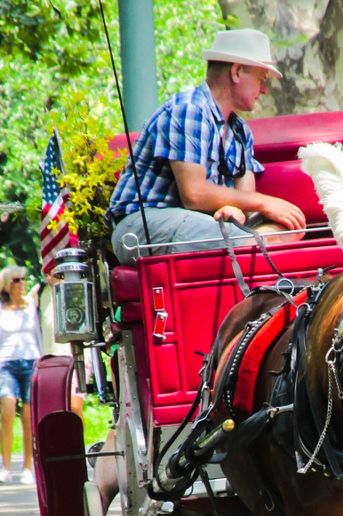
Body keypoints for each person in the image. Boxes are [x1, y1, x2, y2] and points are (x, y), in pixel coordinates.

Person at [108, 28, 306, 264]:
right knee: (250, 241)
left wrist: (234, 210)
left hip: (205, 224)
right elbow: (194, 194)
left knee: (291, 228)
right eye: (261, 80)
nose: (264, 90)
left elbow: (245, 199)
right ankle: (249, 245)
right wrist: (266, 202)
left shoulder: (240, 131)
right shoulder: (189, 109)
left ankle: (250, 248)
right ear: (237, 71)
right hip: (142, 225)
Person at [0, 265, 41, 484]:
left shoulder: (30, 307)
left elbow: (37, 337)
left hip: (30, 361)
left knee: (28, 416)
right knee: (7, 411)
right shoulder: (1, 308)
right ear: (7, 284)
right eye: (16, 280)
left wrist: (41, 361)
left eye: (23, 279)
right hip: (6, 363)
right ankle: (5, 465)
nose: (21, 283)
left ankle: (28, 466)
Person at [33, 269, 85, 419]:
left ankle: (78, 441)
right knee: (55, 408)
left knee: (73, 406)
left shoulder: (73, 287)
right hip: (49, 358)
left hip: (75, 354)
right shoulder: (39, 291)